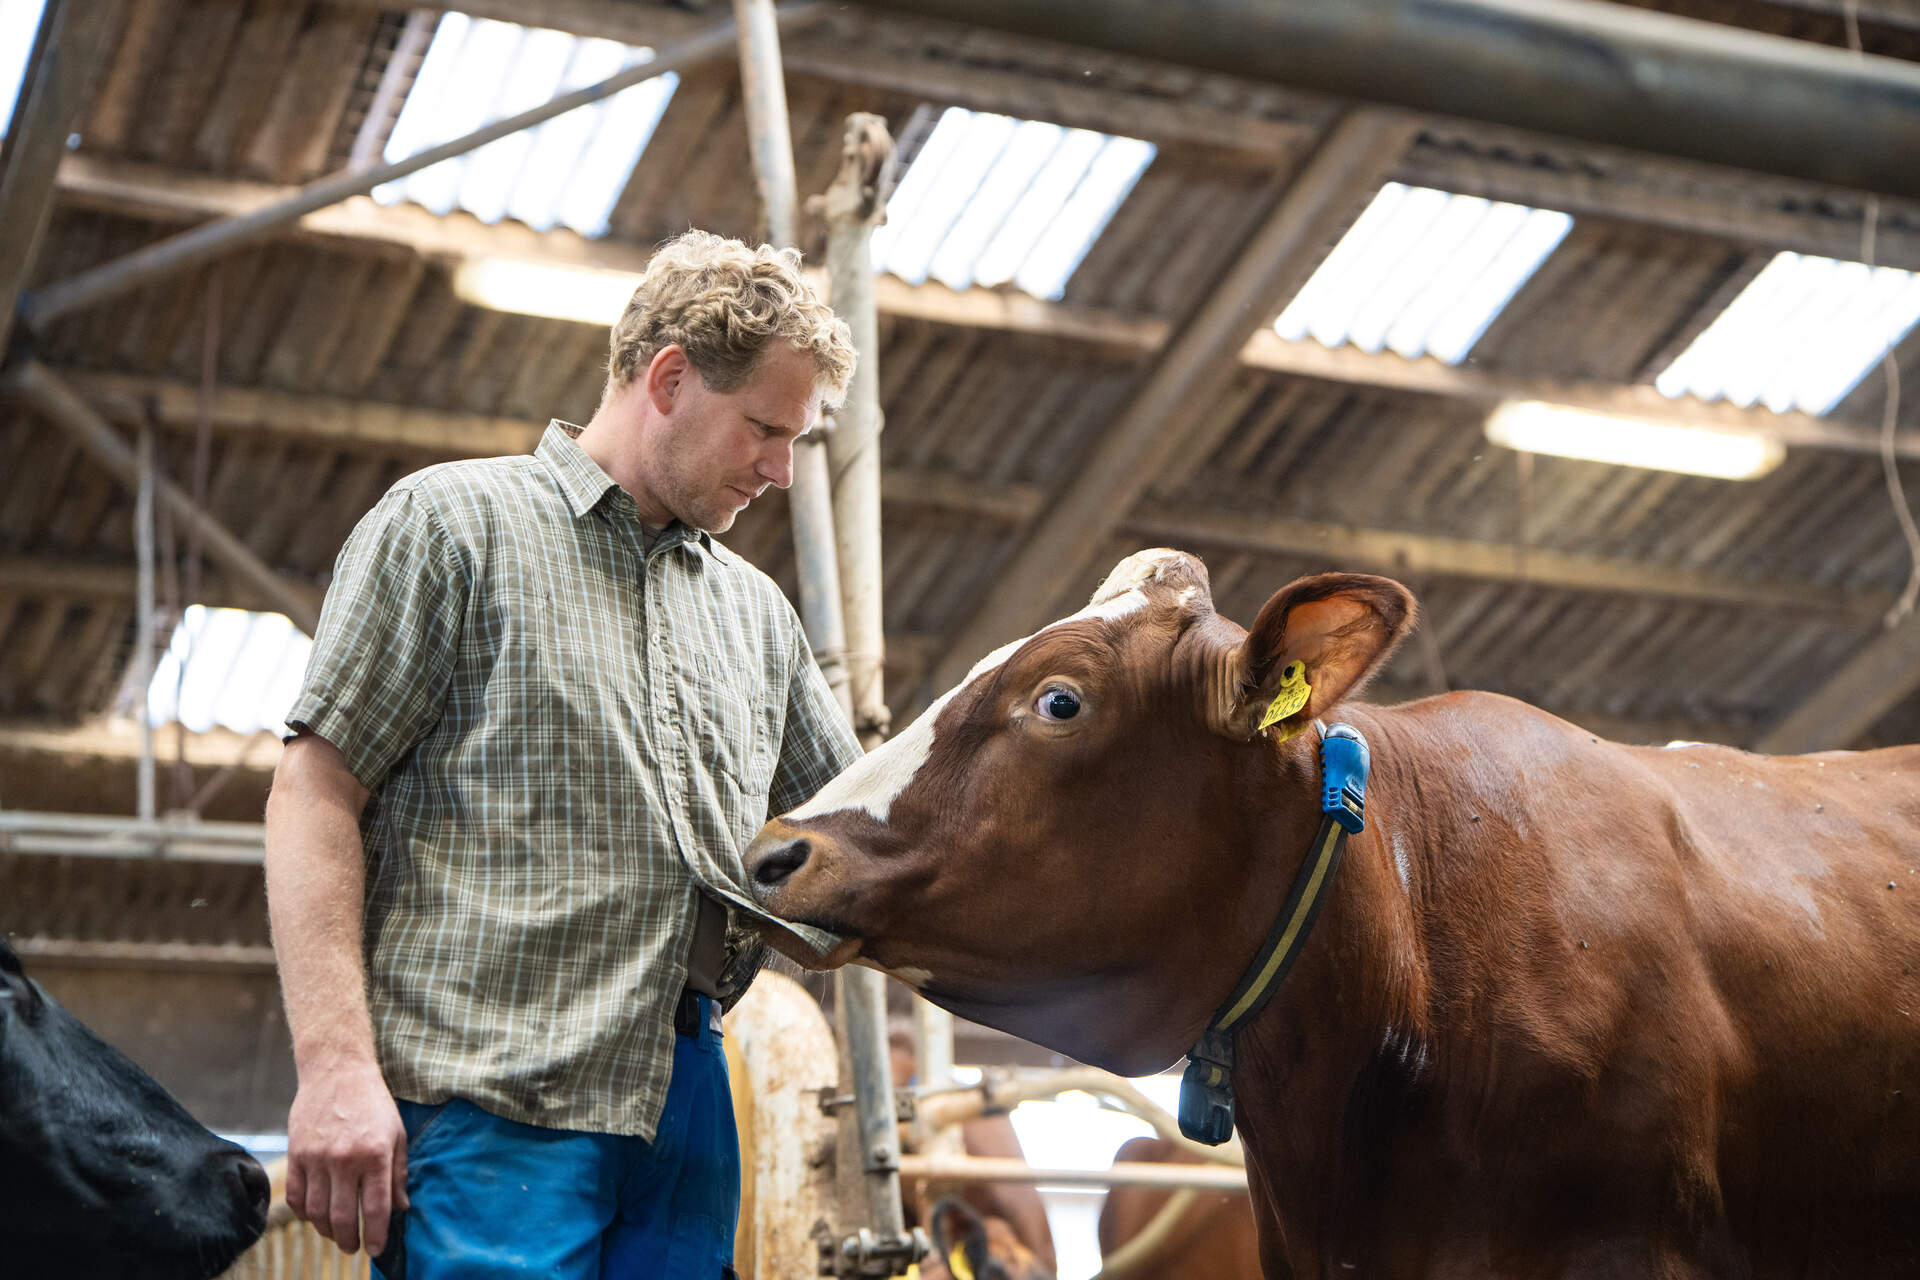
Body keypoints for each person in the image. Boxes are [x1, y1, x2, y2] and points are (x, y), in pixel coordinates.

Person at [263, 230, 863, 1279]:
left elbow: (862, 829)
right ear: (669, 378)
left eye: (794, 442)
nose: (777, 468)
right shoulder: (453, 525)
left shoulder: (754, 614)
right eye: (764, 428)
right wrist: (334, 1064)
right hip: (495, 1094)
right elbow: (314, 790)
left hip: (685, 1100)